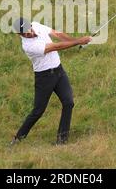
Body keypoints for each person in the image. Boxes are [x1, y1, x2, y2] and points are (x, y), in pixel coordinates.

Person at [10, 18, 92, 146]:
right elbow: (55, 46)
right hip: (44, 78)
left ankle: (62, 140)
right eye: (24, 33)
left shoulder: (36, 25)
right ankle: (18, 137)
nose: (28, 33)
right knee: (38, 111)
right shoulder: (28, 46)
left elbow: (57, 34)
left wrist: (75, 41)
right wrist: (78, 41)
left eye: (28, 30)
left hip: (59, 72)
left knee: (68, 102)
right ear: (19, 34)